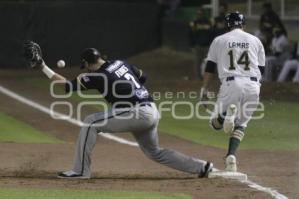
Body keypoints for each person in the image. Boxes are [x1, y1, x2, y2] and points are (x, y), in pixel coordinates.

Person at [23, 41, 213, 179]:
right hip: (152, 110)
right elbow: (143, 77)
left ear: (89, 63)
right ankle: (202, 167)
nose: (87, 70)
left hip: (137, 112)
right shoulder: (122, 63)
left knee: (90, 122)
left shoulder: (97, 76)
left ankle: (81, 171)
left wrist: (42, 66)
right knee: (154, 152)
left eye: (86, 66)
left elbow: (66, 86)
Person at [200, 12, 265, 172]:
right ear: (243, 25)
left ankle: (226, 114)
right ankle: (231, 157)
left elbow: (210, 68)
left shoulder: (219, 40)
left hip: (231, 83)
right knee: (241, 124)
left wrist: (204, 89)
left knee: (215, 124)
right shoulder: (255, 40)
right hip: (253, 85)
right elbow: (262, 68)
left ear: (227, 25)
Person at [189, 8, 212, 79]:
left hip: (207, 45)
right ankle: (198, 77)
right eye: (198, 14)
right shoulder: (194, 23)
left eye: (201, 14)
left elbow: (211, 33)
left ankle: (207, 77)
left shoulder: (208, 22)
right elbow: (191, 34)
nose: (199, 15)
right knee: (197, 63)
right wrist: (192, 45)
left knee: (207, 63)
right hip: (197, 46)